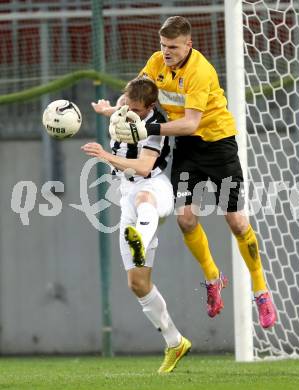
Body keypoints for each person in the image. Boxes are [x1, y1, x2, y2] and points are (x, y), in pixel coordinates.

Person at [93, 16, 276, 328]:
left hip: (218, 145)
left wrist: (146, 126)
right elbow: (136, 95)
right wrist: (117, 108)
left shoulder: (200, 72)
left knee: (235, 219)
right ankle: (213, 279)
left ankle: (261, 290)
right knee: (185, 217)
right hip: (188, 149)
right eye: (163, 46)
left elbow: (191, 123)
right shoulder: (156, 61)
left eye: (173, 47)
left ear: (188, 45)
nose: (166, 52)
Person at [82, 77, 191, 373]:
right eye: (126, 105)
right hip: (126, 194)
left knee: (144, 196)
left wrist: (105, 156)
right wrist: (106, 110)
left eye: (136, 109)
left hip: (154, 187)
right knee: (137, 283)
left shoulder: (155, 124)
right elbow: (118, 112)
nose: (129, 111)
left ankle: (139, 238)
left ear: (149, 107)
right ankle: (175, 341)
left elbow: (144, 167)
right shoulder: (124, 106)